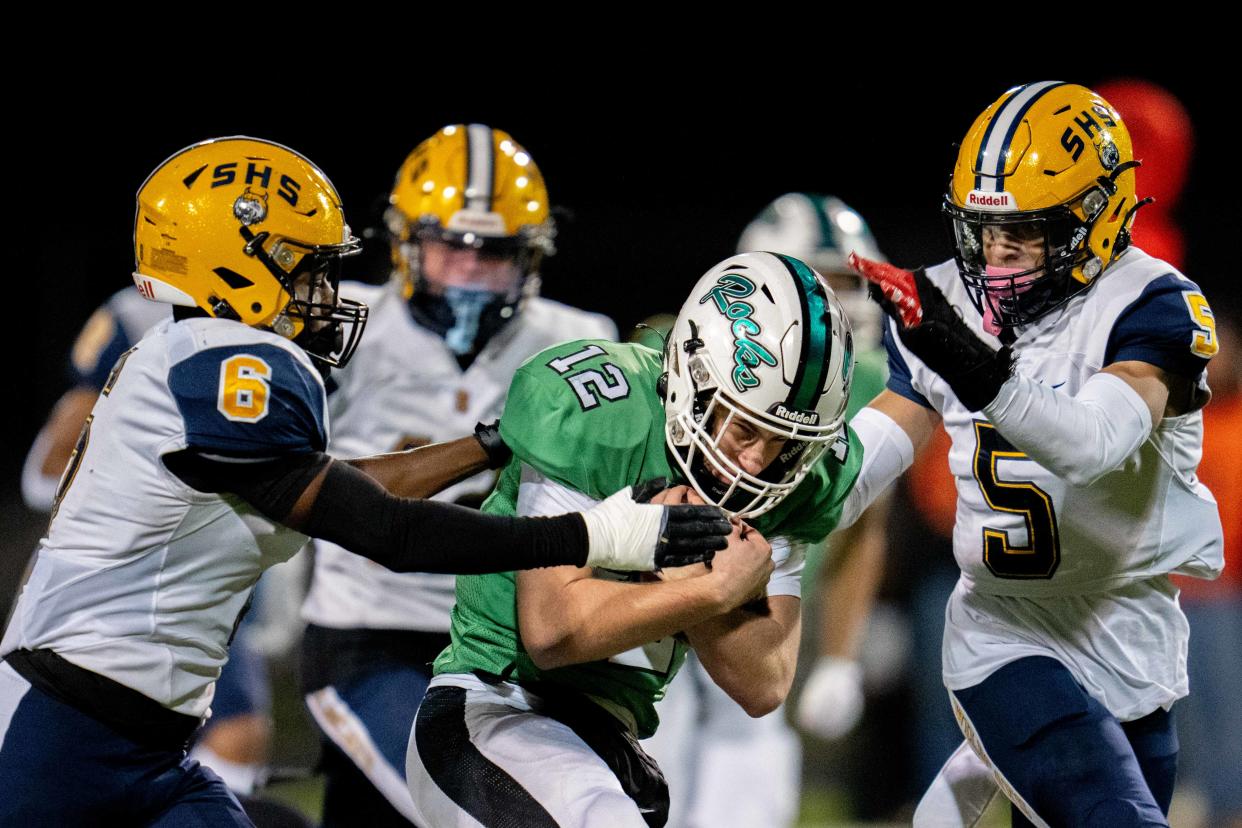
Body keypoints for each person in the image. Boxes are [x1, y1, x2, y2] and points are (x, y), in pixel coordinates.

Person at [0, 136, 729, 826]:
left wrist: (491, 445)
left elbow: (346, 486)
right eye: (304, 265)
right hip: (61, 725)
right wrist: (595, 534)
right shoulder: (229, 368)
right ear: (236, 266)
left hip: (146, 741)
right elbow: (389, 530)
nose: (324, 287)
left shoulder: (199, 356)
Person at [839, 82, 1223, 826]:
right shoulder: (946, 300)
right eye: (983, 230)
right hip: (1005, 629)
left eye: (1027, 230)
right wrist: (774, 487)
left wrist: (973, 364)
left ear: (1099, 217)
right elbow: (865, 461)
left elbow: (1091, 445)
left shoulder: (1153, 305)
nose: (997, 254)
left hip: (1130, 633)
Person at [406, 250, 862, 827]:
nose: (757, 460)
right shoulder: (603, 413)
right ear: (694, 379)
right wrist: (707, 590)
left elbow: (763, 682)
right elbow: (552, 629)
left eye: (784, 444)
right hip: (496, 711)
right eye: (745, 426)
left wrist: (696, 583)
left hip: (611, 740)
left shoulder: (794, 484)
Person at [299, 124, 617, 826]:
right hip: (372, 635)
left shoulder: (577, 341)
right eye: (452, 248)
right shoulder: (343, 327)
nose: (470, 272)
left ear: (531, 256)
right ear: (407, 242)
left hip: (507, 649)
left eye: (494, 254)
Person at [643, 194, 891, 828]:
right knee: (647, 755)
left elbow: (864, 530)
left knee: (752, 767)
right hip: (659, 589)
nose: (834, 300)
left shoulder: (868, 380)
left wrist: (840, 657)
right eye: (817, 280)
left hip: (767, 593)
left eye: (844, 282)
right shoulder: (686, 353)